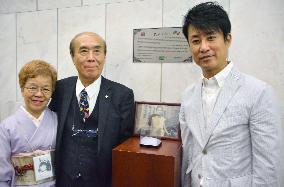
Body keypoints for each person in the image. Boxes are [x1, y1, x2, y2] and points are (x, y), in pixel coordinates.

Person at [179, 2, 282, 187]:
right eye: (195, 41)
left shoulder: (258, 93)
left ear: (227, 39)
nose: (203, 47)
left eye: (211, 37)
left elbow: (268, 167)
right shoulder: (188, 95)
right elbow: (189, 154)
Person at [49, 32, 135, 187]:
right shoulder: (60, 89)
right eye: (83, 51)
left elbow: (125, 143)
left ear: (104, 56)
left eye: (97, 51)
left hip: (102, 181)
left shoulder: (123, 95)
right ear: (72, 56)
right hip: (64, 180)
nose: (91, 58)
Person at [0, 60, 58, 187]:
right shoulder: (7, 127)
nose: (38, 94)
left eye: (46, 89)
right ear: (22, 89)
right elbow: (2, 176)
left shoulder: (58, 121)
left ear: (52, 92)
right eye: (32, 88)